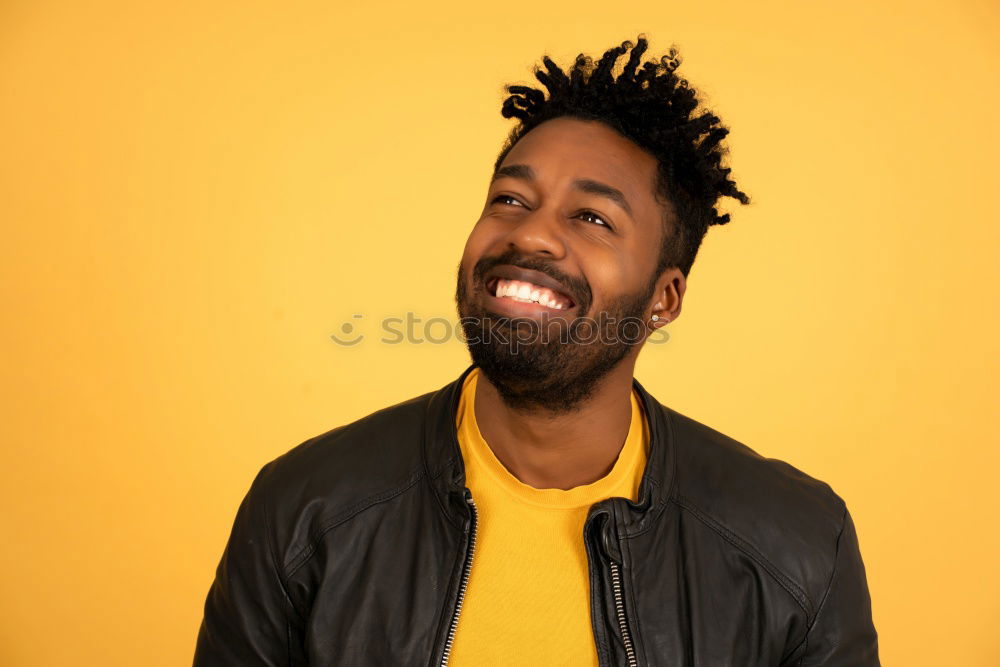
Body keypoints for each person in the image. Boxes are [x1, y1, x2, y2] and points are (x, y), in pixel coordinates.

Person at [194, 36, 879, 666]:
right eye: (511, 198)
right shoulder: (304, 511)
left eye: (592, 217)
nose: (534, 236)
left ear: (664, 298)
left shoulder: (797, 549)